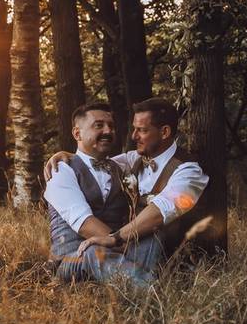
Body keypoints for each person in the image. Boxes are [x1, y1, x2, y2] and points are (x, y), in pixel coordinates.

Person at [45, 97, 212, 268]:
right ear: (77, 133)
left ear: (164, 132)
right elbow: (90, 163)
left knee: (152, 237)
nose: (133, 136)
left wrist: (116, 239)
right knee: (95, 254)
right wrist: (69, 156)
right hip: (85, 255)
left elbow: (161, 209)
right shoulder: (130, 160)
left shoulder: (189, 171)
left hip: (158, 251)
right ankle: (146, 286)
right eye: (134, 129)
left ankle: (142, 280)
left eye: (142, 130)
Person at [44, 102, 164, 287]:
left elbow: (156, 153)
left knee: (152, 235)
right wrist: (125, 243)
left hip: (116, 253)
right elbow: (84, 223)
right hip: (72, 259)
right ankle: (153, 291)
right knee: (93, 251)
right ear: (77, 134)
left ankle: (130, 279)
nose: (108, 131)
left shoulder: (122, 167)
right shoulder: (61, 170)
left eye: (111, 126)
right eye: (99, 125)